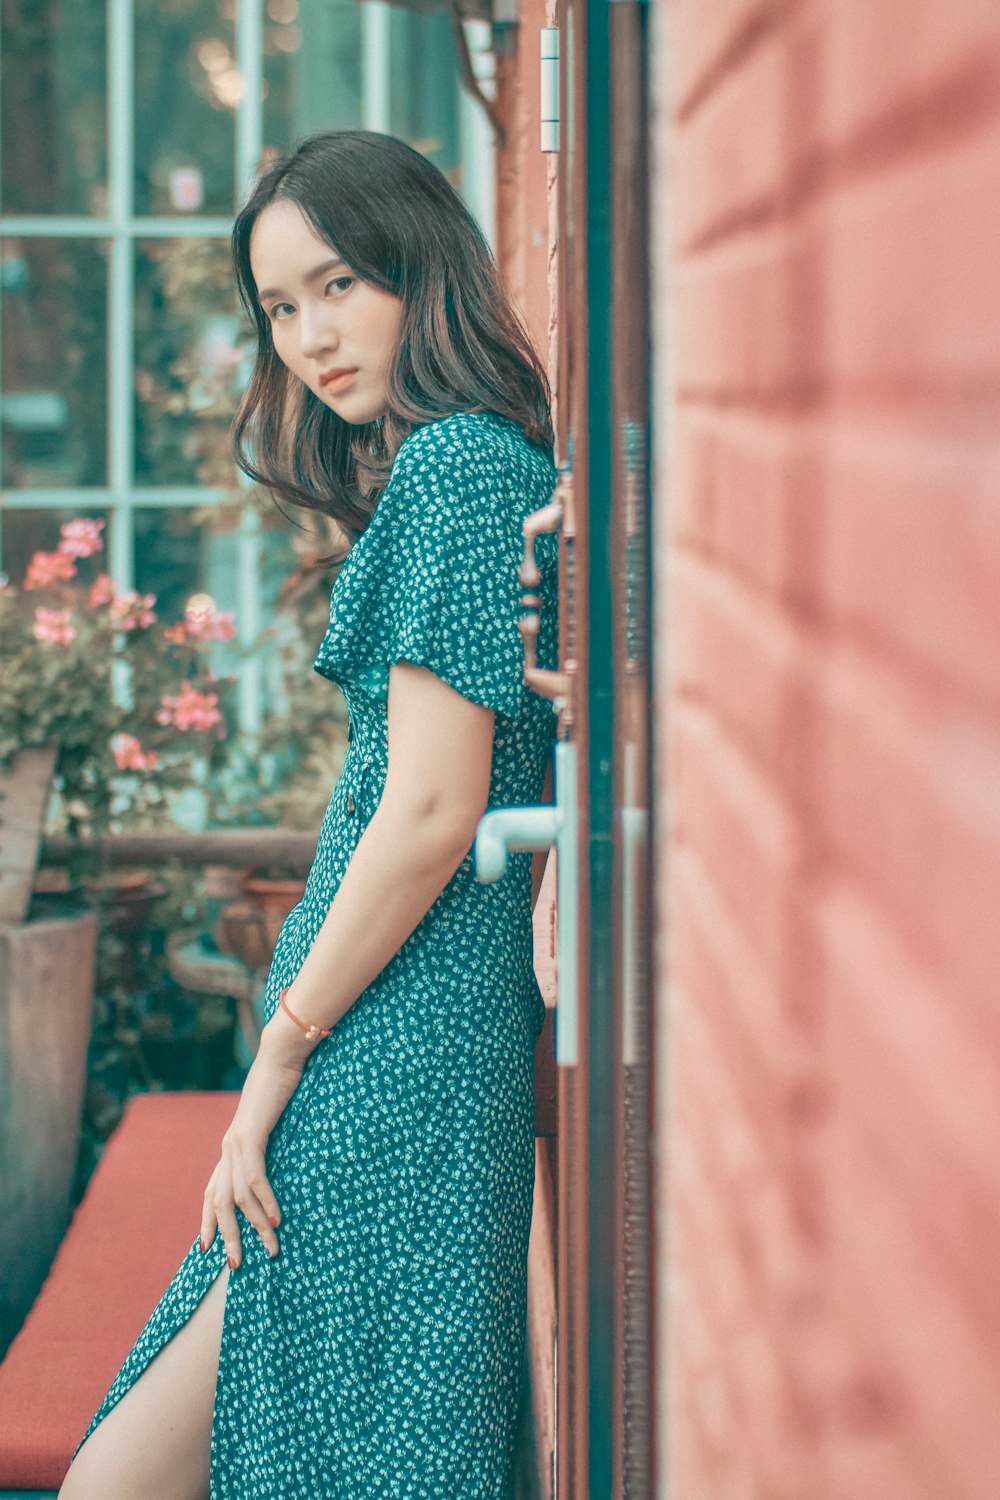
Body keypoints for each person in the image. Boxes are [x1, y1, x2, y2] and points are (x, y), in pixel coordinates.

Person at [59, 128, 560, 1499]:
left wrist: (279, 1050)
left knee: (134, 1478)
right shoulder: (474, 464)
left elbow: (433, 809)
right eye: (280, 308)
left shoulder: (459, 471)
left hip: (396, 1042)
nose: (309, 338)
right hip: (402, 1026)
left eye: (338, 285)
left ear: (421, 270)